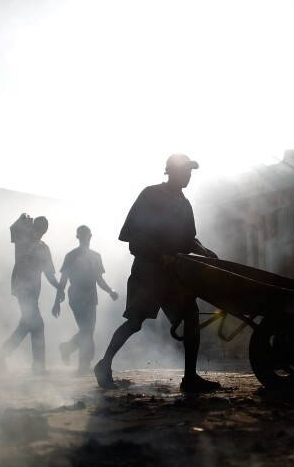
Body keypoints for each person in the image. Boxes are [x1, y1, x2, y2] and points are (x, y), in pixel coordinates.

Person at [93, 153, 221, 394]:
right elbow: (131, 232)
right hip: (149, 271)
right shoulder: (150, 194)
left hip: (174, 273)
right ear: (170, 171)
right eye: (185, 171)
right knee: (135, 322)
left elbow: (188, 239)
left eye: (191, 172)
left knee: (191, 315)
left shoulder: (184, 203)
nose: (189, 176)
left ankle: (190, 378)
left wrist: (205, 251)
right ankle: (104, 365)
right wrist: (158, 254)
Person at [0, 215, 59, 375]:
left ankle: (2, 355)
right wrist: (24, 218)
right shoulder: (23, 240)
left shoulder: (44, 248)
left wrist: (59, 287)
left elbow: (49, 273)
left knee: (27, 325)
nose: (43, 227)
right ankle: (38, 367)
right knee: (37, 325)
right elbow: (14, 228)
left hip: (33, 290)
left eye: (45, 224)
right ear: (34, 226)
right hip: (22, 288)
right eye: (39, 224)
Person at [54, 225, 119, 375]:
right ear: (78, 237)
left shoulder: (96, 256)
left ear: (90, 236)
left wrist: (110, 290)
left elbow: (98, 279)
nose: (84, 237)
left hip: (90, 297)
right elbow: (63, 279)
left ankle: (70, 352)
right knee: (87, 330)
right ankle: (81, 364)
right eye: (81, 235)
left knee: (88, 331)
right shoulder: (71, 256)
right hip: (76, 296)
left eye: (86, 235)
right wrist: (57, 300)